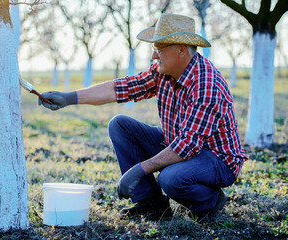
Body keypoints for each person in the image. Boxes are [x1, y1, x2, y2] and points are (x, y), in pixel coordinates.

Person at [38, 13, 248, 220]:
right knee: (120, 125)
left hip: (216, 159)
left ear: (181, 51)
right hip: (179, 144)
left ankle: (210, 201)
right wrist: (69, 98)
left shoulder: (206, 84)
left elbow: (188, 145)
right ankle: (151, 204)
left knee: (171, 178)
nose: (153, 56)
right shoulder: (162, 72)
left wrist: (140, 169)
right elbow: (122, 88)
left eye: (159, 50)